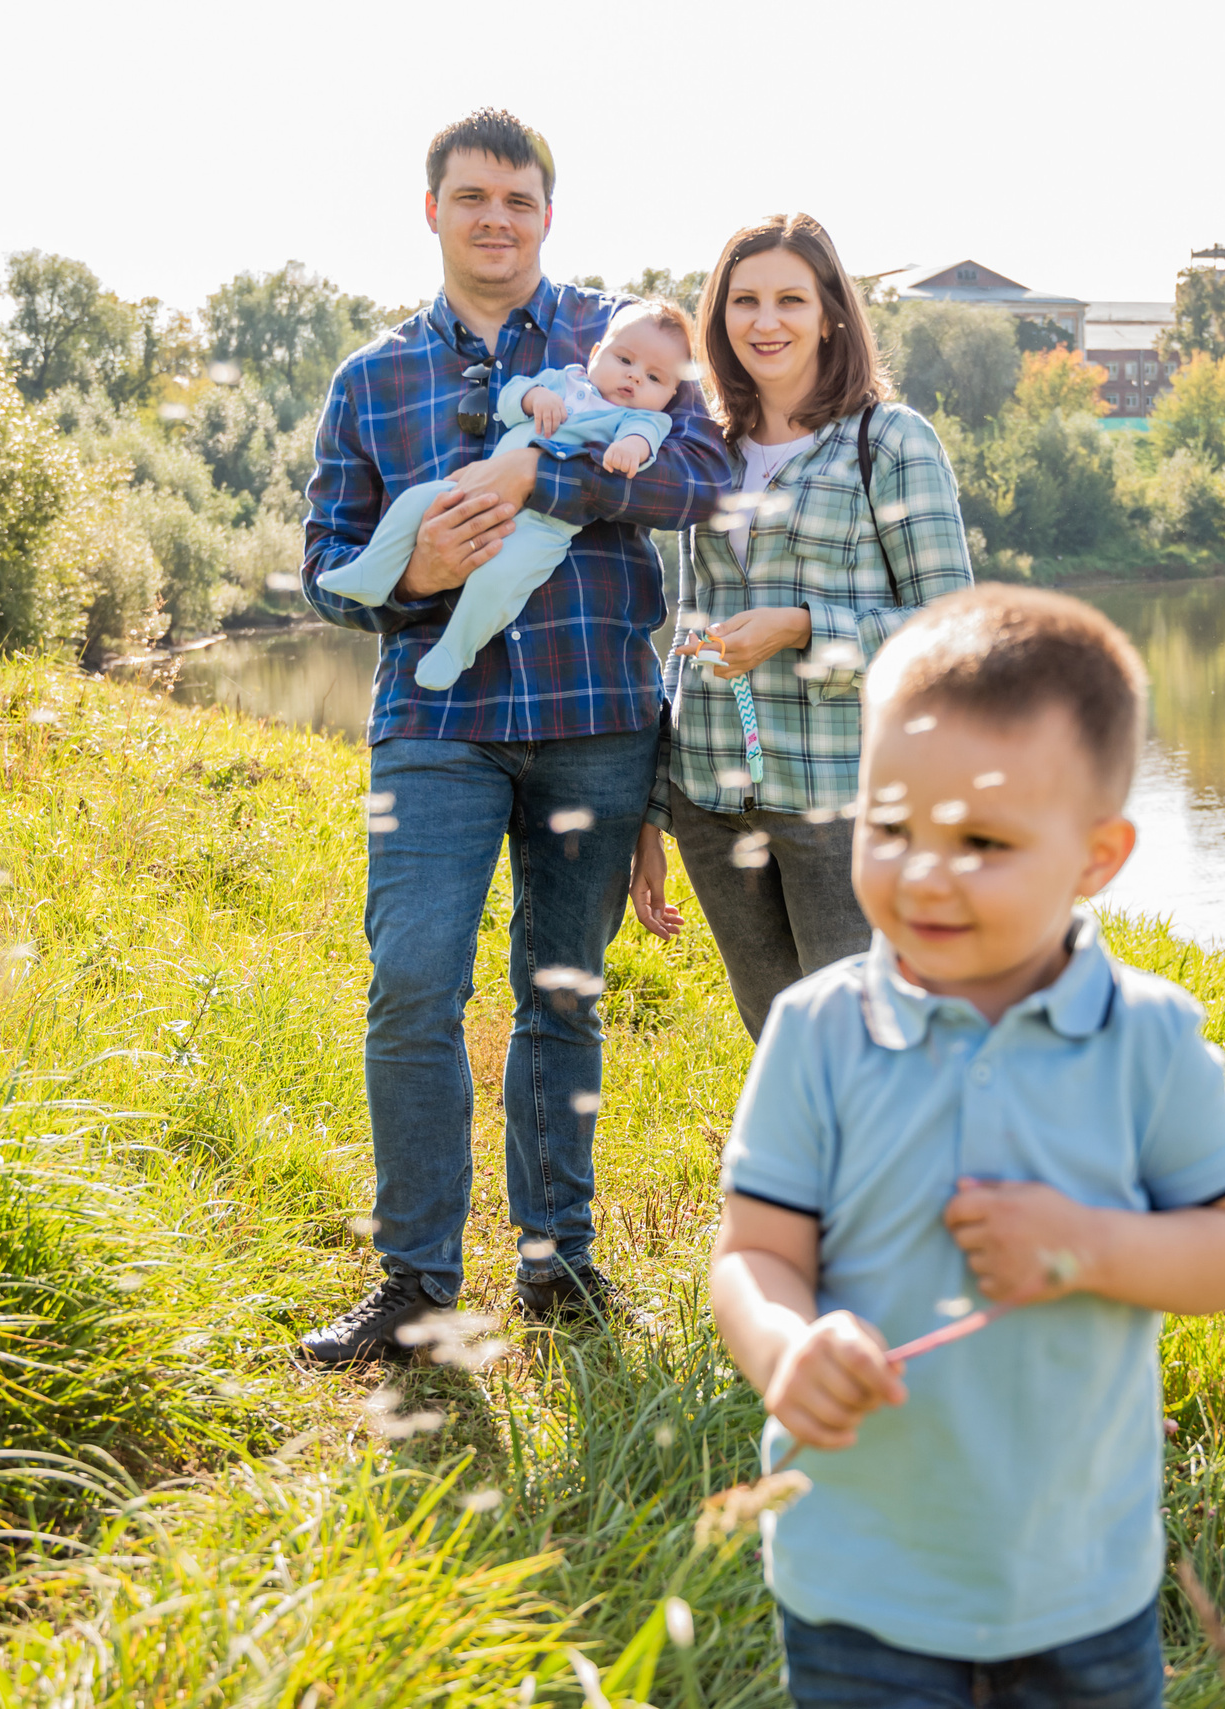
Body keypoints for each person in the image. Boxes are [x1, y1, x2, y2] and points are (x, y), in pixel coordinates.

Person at [708, 586, 1225, 1705]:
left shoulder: (1147, 1038)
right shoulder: (818, 1030)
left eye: (981, 841)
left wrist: (1088, 1244)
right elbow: (753, 1252)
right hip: (857, 1578)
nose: (925, 872)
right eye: (889, 827)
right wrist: (785, 1348)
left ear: (1096, 856)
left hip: (1080, 1584)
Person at [295, 108, 733, 1360]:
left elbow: (701, 478)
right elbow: (325, 570)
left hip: (595, 717)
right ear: (431, 208)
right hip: (434, 723)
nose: (497, 219)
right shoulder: (370, 377)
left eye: (519, 199)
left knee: (563, 993)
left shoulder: (625, 335)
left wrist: (546, 478)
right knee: (413, 982)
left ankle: (559, 1268)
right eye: (473, 197)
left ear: (549, 213)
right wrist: (417, 571)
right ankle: (415, 1288)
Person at [628, 214, 971, 1039]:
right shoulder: (705, 449)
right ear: (719, 319)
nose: (765, 321)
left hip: (843, 804)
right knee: (781, 1045)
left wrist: (804, 627)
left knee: (868, 1048)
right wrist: (655, 810)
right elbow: (692, 634)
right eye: (743, 300)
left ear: (830, 315)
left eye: (791, 299)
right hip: (712, 805)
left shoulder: (888, 441)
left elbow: (953, 637)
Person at [315, 300, 696, 691]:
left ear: (671, 393)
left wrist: (630, 449)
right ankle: (373, 571)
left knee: (499, 577)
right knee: (414, 502)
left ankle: (456, 648)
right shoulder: (563, 380)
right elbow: (510, 399)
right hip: (476, 490)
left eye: (654, 377)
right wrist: (535, 397)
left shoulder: (640, 418)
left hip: (543, 526)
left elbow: (644, 441)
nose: (634, 377)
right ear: (596, 353)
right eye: (625, 360)